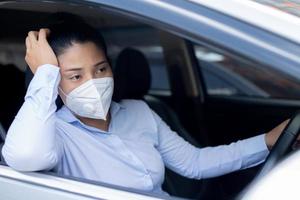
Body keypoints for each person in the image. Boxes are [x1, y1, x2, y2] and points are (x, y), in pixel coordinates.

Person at [1, 14, 289, 196]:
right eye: (75, 76)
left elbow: (195, 163)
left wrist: (267, 141)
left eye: (101, 69)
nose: (93, 82)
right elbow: (24, 156)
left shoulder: (139, 112)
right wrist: (44, 74)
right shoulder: (53, 133)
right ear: (54, 82)